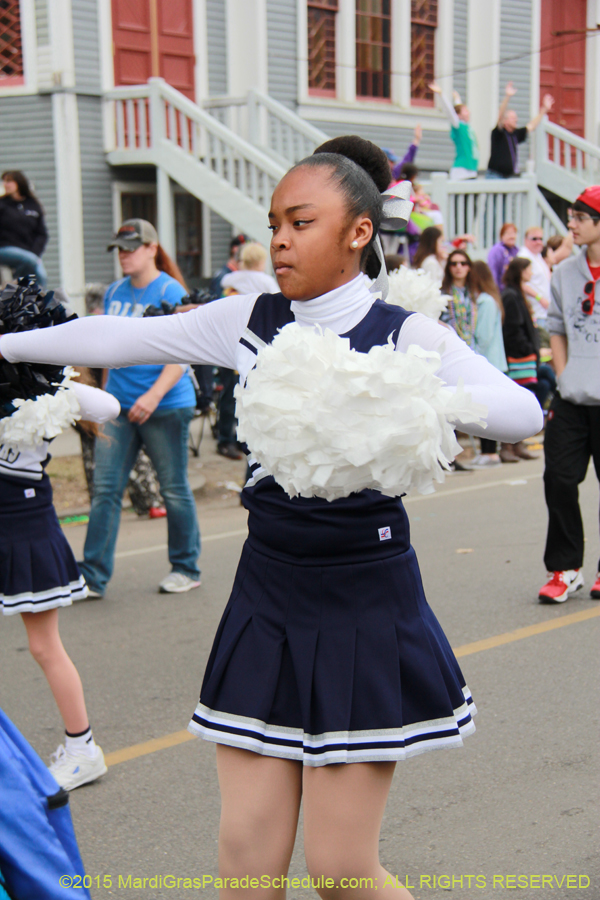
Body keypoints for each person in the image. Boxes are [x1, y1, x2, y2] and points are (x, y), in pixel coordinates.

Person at [0, 136, 542, 899]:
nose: (282, 239)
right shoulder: (247, 319)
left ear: (359, 232)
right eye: (275, 223)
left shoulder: (402, 335)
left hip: (364, 601)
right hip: (267, 597)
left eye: (302, 221)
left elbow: (520, 412)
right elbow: (121, 335)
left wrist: (402, 396)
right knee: (245, 874)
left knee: (342, 874)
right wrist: (7, 342)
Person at [0, 356, 120, 790]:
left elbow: (107, 407)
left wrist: (51, 384)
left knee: (44, 646)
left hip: (24, 526)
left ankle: (83, 749)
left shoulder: (38, 388)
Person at [79, 219, 201, 598]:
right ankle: (92, 577)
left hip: (165, 406)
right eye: (119, 249)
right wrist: (100, 397)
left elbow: (185, 352)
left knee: (173, 488)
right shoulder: (114, 291)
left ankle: (185, 567)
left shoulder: (171, 290)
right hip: (118, 408)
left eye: (131, 248)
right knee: (105, 491)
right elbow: (106, 350)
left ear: (152, 249)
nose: (124, 255)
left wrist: (153, 396)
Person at [538, 186, 600, 604]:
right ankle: (565, 568)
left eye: (579, 218)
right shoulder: (563, 273)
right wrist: (563, 378)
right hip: (572, 399)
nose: (571, 225)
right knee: (558, 480)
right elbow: (556, 328)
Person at [501, 257, 550, 462]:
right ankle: (508, 445)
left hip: (526, 356)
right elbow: (512, 329)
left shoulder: (518, 293)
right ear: (520, 271)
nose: (531, 273)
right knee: (516, 401)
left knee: (530, 394)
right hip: (519, 358)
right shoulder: (511, 295)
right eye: (528, 269)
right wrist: (527, 349)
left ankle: (517, 443)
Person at [470, 260, 507, 466]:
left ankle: (489, 452)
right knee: (490, 408)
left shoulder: (484, 301)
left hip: (487, 360)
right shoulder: (493, 299)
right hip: (497, 360)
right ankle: (490, 451)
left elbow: (483, 336)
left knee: (485, 410)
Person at [486, 82, 554, 179]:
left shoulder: (515, 134)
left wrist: (544, 109)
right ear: (505, 121)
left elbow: (531, 126)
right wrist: (507, 96)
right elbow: (500, 115)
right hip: (495, 176)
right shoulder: (498, 133)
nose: (516, 120)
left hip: (508, 177)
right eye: (513, 118)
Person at [0, 171, 48, 287]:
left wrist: (35, 252)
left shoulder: (33, 205)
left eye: (9, 181)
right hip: (5, 249)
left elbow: (41, 234)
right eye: (4, 181)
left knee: (41, 274)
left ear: (19, 183)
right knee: (30, 263)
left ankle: (38, 301)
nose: (6, 184)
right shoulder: (2, 204)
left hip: (29, 253)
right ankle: (17, 287)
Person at [429, 83, 479, 180]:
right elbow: (451, 112)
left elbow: (457, 110)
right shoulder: (458, 126)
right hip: (462, 170)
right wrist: (441, 94)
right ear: (459, 115)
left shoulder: (467, 127)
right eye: (465, 111)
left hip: (472, 168)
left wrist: (457, 99)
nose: (468, 112)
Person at [440, 249, 478, 348]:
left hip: (473, 347)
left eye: (463, 263)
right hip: (449, 345)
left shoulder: (475, 292)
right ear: (448, 267)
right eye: (454, 263)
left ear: (469, 267)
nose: (458, 267)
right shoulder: (442, 294)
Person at [517, 226, 551, 335]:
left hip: (544, 312)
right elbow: (521, 283)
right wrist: (539, 298)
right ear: (525, 240)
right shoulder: (524, 256)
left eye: (541, 239)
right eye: (534, 239)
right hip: (535, 312)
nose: (538, 242)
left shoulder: (537, 256)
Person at [487, 222, 519, 289]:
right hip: (501, 290)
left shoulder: (517, 250)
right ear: (502, 236)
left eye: (514, 233)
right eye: (508, 233)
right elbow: (493, 272)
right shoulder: (496, 251)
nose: (512, 236)